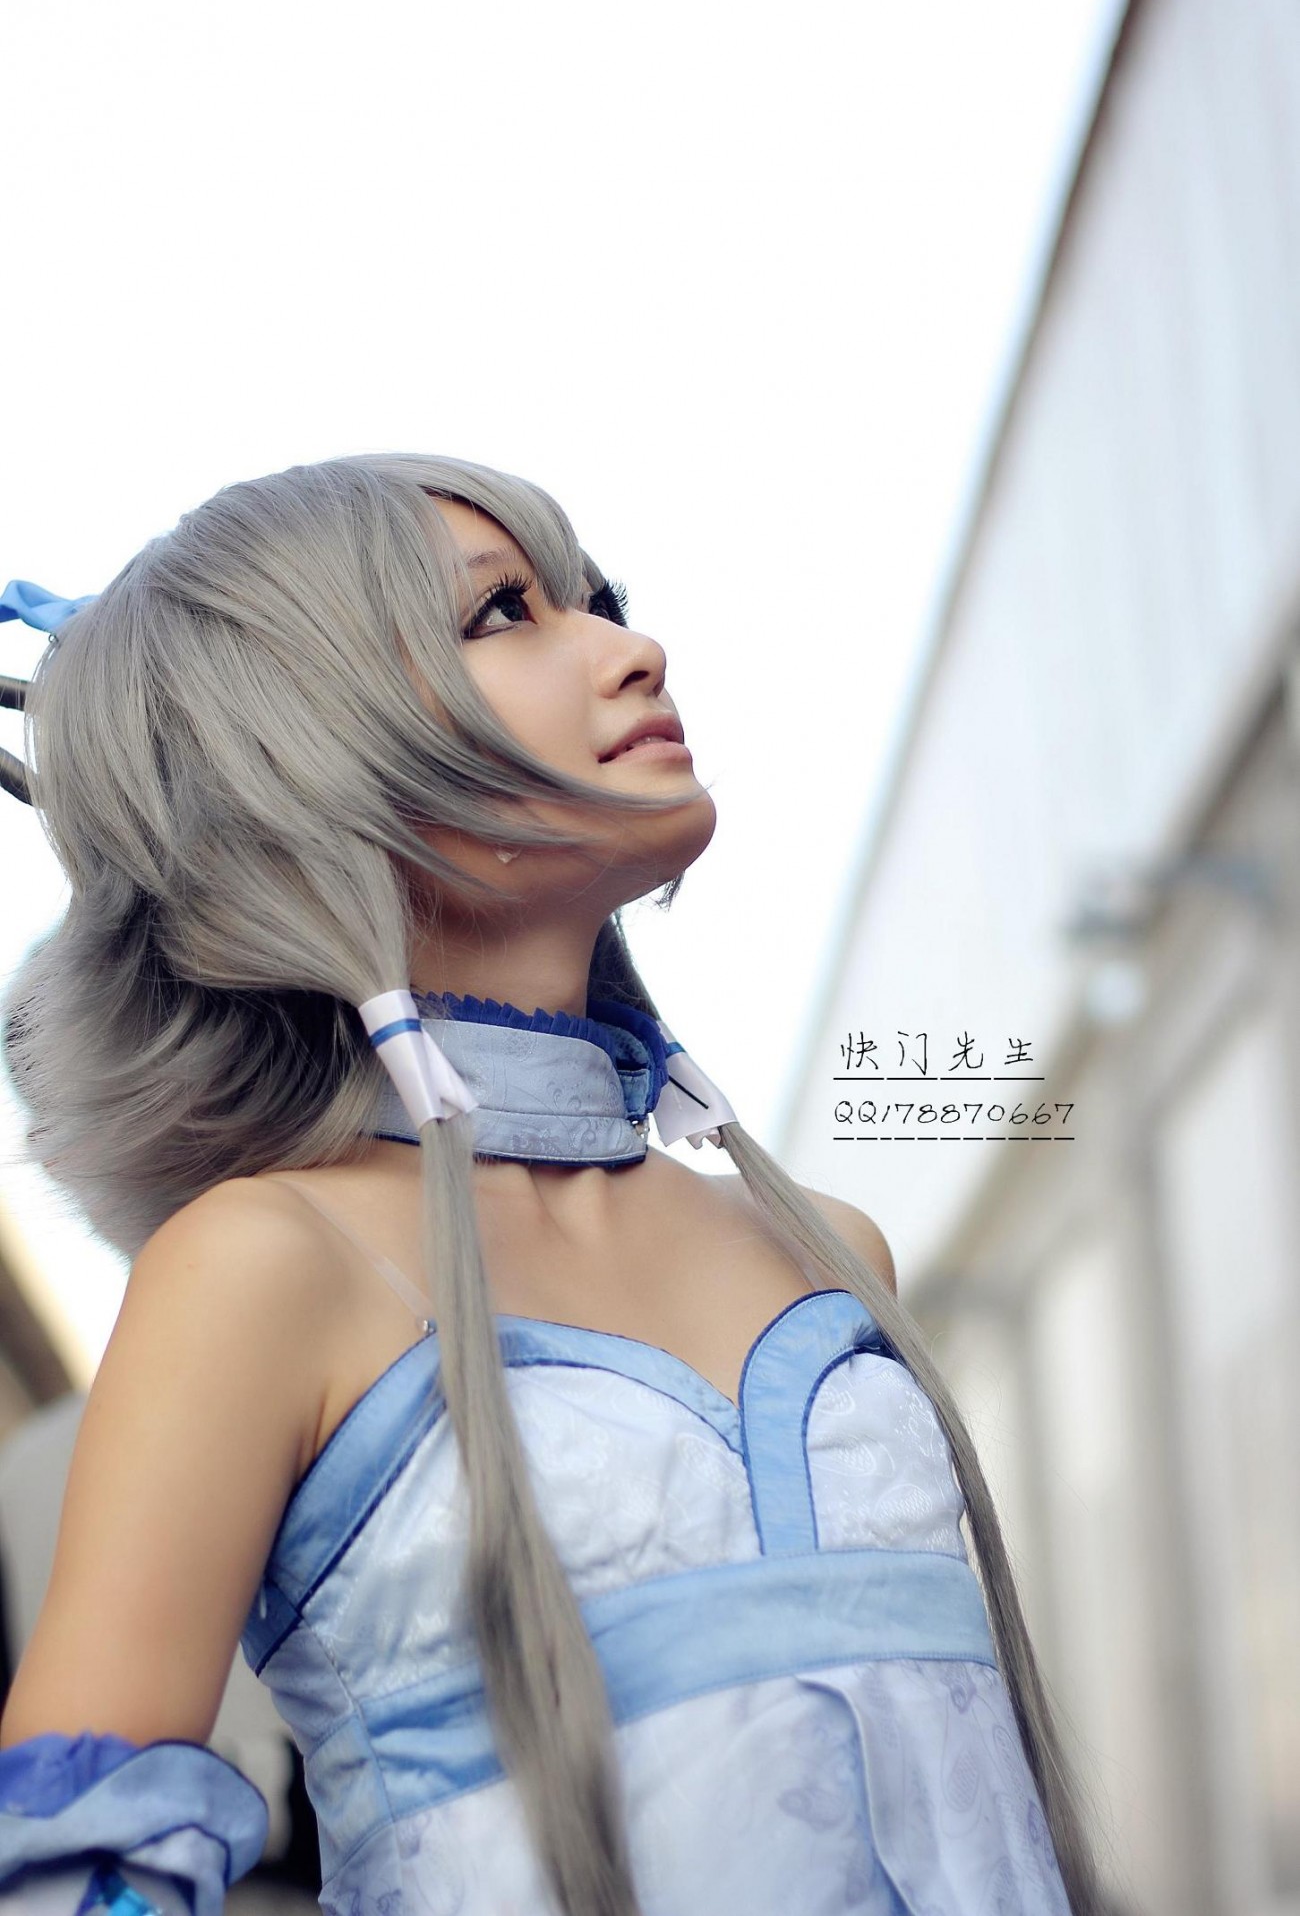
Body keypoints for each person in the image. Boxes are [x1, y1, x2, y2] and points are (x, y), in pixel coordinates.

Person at [0, 454, 1102, 1916]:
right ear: (295, 746)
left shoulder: (828, 1249)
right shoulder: (262, 1263)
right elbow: (78, 1858)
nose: (633, 649)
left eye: (599, 599)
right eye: (505, 612)